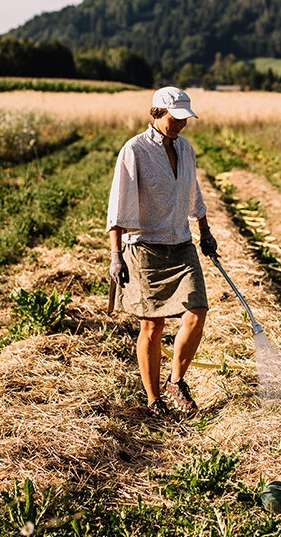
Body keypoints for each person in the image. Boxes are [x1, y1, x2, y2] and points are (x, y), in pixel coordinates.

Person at [106, 86, 218, 421]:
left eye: (185, 119)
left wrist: (205, 229)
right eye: (175, 118)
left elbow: (192, 190)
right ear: (157, 113)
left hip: (180, 243)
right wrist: (116, 254)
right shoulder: (134, 150)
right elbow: (119, 202)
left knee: (197, 312)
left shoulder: (186, 149)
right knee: (152, 327)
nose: (181, 125)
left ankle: (176, 381)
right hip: (145, 248)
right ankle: (154, 400)